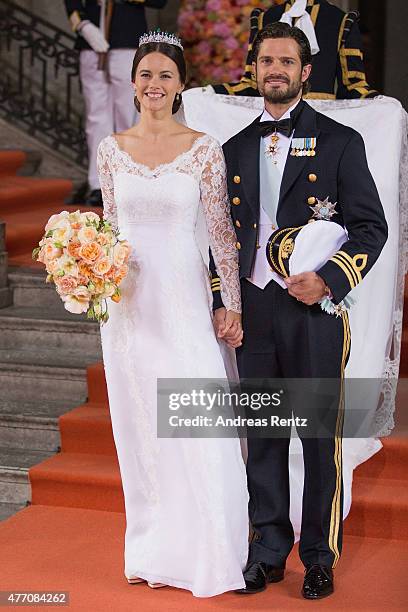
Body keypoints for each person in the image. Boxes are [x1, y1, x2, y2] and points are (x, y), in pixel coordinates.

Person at [210, 22, 387, 599]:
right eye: (266, 61)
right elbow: (217, 241)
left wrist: (332, 279)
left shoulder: (339, 141)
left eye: (287, 61)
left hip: (313, 313)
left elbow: (370, 228)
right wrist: (225, 301)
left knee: (317, 440)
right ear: (255, 70)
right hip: (256, 311)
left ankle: (318, 555)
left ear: (305, 71)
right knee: (261, 436)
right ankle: (266, 551)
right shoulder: (232, 148)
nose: (276, 70)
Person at [96, 31, 249, 597]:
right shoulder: (111, 149)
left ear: (182, 84)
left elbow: (222, 237)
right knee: (141, 426)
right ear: (133, 83)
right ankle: (154, 547)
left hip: (183, 302)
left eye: (166, 75)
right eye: (146, 74)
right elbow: (109, 231)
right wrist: (87, 274)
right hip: (130, 310)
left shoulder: (205, 148)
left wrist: (228, 303)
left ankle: (211, 551)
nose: (155, 84)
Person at [64, 0, 167, 206]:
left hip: (126, 38)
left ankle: (128, 180)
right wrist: (84, 25)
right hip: (91, 40)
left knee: (128, 114)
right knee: (96, 117)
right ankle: (97, 184)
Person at [214, 0, 378, 100]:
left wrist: (378, 101)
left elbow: (352, 85)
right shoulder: (265, 18)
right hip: (271, 114)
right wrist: (210, 92)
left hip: (320, 121)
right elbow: (251, 82)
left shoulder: (341, 20)